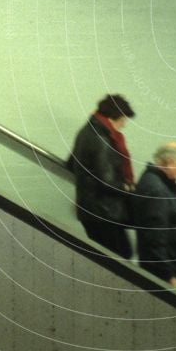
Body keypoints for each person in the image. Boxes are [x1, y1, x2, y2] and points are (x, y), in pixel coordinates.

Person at [69, 94, 135, 259]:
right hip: (104, 213)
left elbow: (70, 163)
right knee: (120, 259)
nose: (123, 125)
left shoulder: (87, 131)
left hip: (92, 211)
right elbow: (107, 181)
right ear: (112, 117)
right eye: (122, 120)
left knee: (109, 258)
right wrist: (128, 188)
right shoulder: (103, 139)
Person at [132, 142, 176, 289]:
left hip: (172, 271)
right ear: (169, 162)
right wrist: (170, 276)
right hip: (171, 275)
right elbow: (155, 238)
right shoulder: (158, 190)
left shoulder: (157, 184)